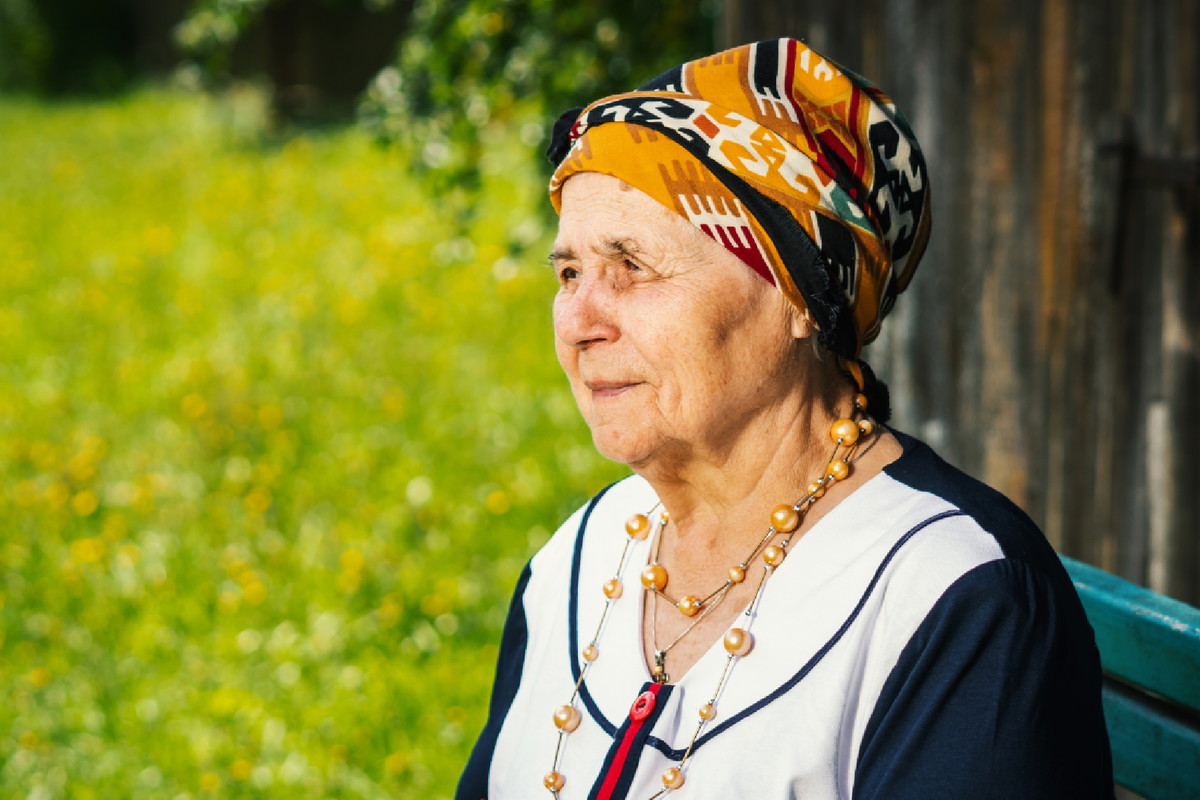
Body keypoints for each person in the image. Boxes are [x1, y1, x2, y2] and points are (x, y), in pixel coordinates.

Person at [457, 38, 1113, 799]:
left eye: (631, 266)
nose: (579, 319)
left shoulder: (957, 599)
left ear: (800, 296)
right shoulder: (580, 556)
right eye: (569, 272)